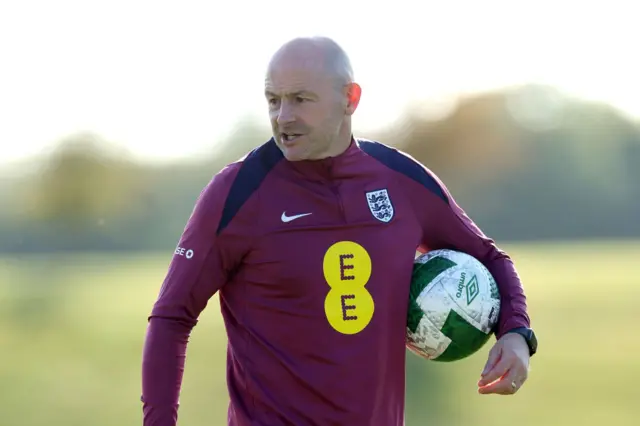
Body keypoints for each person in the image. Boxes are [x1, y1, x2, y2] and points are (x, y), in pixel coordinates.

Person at [140, 36, 538, 426]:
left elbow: (489, 257)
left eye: (300, 99)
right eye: (273, 100)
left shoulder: (400, 180)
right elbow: (172, 317)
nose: (283, 117)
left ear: (350, 98)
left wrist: (516, 332)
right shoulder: (237, 193)